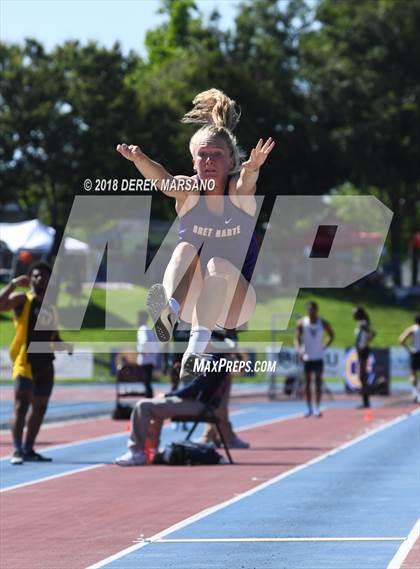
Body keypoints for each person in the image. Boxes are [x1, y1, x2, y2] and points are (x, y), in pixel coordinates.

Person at [117, 88, 275, 380]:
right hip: (195, 302)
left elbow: (246, 185)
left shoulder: (236, 191)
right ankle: (169, 310)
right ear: (193, 163)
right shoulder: (189, 190)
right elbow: (164, 180)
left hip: (234, 307)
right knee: (185, 249)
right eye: (202, 156)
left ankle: (195, 349)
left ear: (231, 163)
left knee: (218, 264)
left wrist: (252, 169)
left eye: (217, 155)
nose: (209, 161)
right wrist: (139, 160)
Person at [0, 261, 73, 464]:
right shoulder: (23, 300)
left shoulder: (52, 308)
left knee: (40, 408)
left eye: (44, 276)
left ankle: (29, 448)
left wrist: (64, 345)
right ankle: (16, 450)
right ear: (30, 278)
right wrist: (13, 283)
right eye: (36, 276)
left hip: (45, 364)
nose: (40, 279)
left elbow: (54, 337)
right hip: (25, 362)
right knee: (21, 406)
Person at [114, 356, 230, 466]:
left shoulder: (213, 360)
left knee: (143, 406)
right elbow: (197, 384)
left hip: (199, 405)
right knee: (153, 406)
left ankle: (137, 452)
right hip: (197, 402)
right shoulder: (214, 358)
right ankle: (152, 451)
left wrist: (167, 395)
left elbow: (195, 387)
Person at [294, 301, 334, 417]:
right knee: (307, 383)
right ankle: (308, 408)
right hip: (307, 357)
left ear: (316, 310)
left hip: (318, 357)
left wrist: (325, 346)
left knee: (318, 383)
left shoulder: (322, 323)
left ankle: (317, 407)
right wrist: (298, 350)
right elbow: (296, 338)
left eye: (313, 309)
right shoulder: (302, 323)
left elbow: (331, 335)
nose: (311, 311)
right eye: (309, 309)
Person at [352, 306, 376, 409]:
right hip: (361, 351)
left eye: (355, 313)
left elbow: (373, 333)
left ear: (359, 314)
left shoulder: (364, 323)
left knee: (362, 376)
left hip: (363, 352)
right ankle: (365, 400)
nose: (353, 315)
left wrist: (365, 343)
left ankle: (366, 401)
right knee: (362, 376)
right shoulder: (361, 323)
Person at [136, 310, 159, 398]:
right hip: (151, 360)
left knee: (146, 382)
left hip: (145, 361)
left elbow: (144, 342)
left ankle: (148, 399)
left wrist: (145, 352)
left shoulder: (142, 329)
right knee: (148, 382)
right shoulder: (149, 330)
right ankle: (149, 398)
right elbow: (156, 346)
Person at [399, 315, 420, 403]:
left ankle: (415, 393)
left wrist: (408, 349)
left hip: (414, 352)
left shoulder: (412, 329)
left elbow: (401, 339)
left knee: (413, 373)